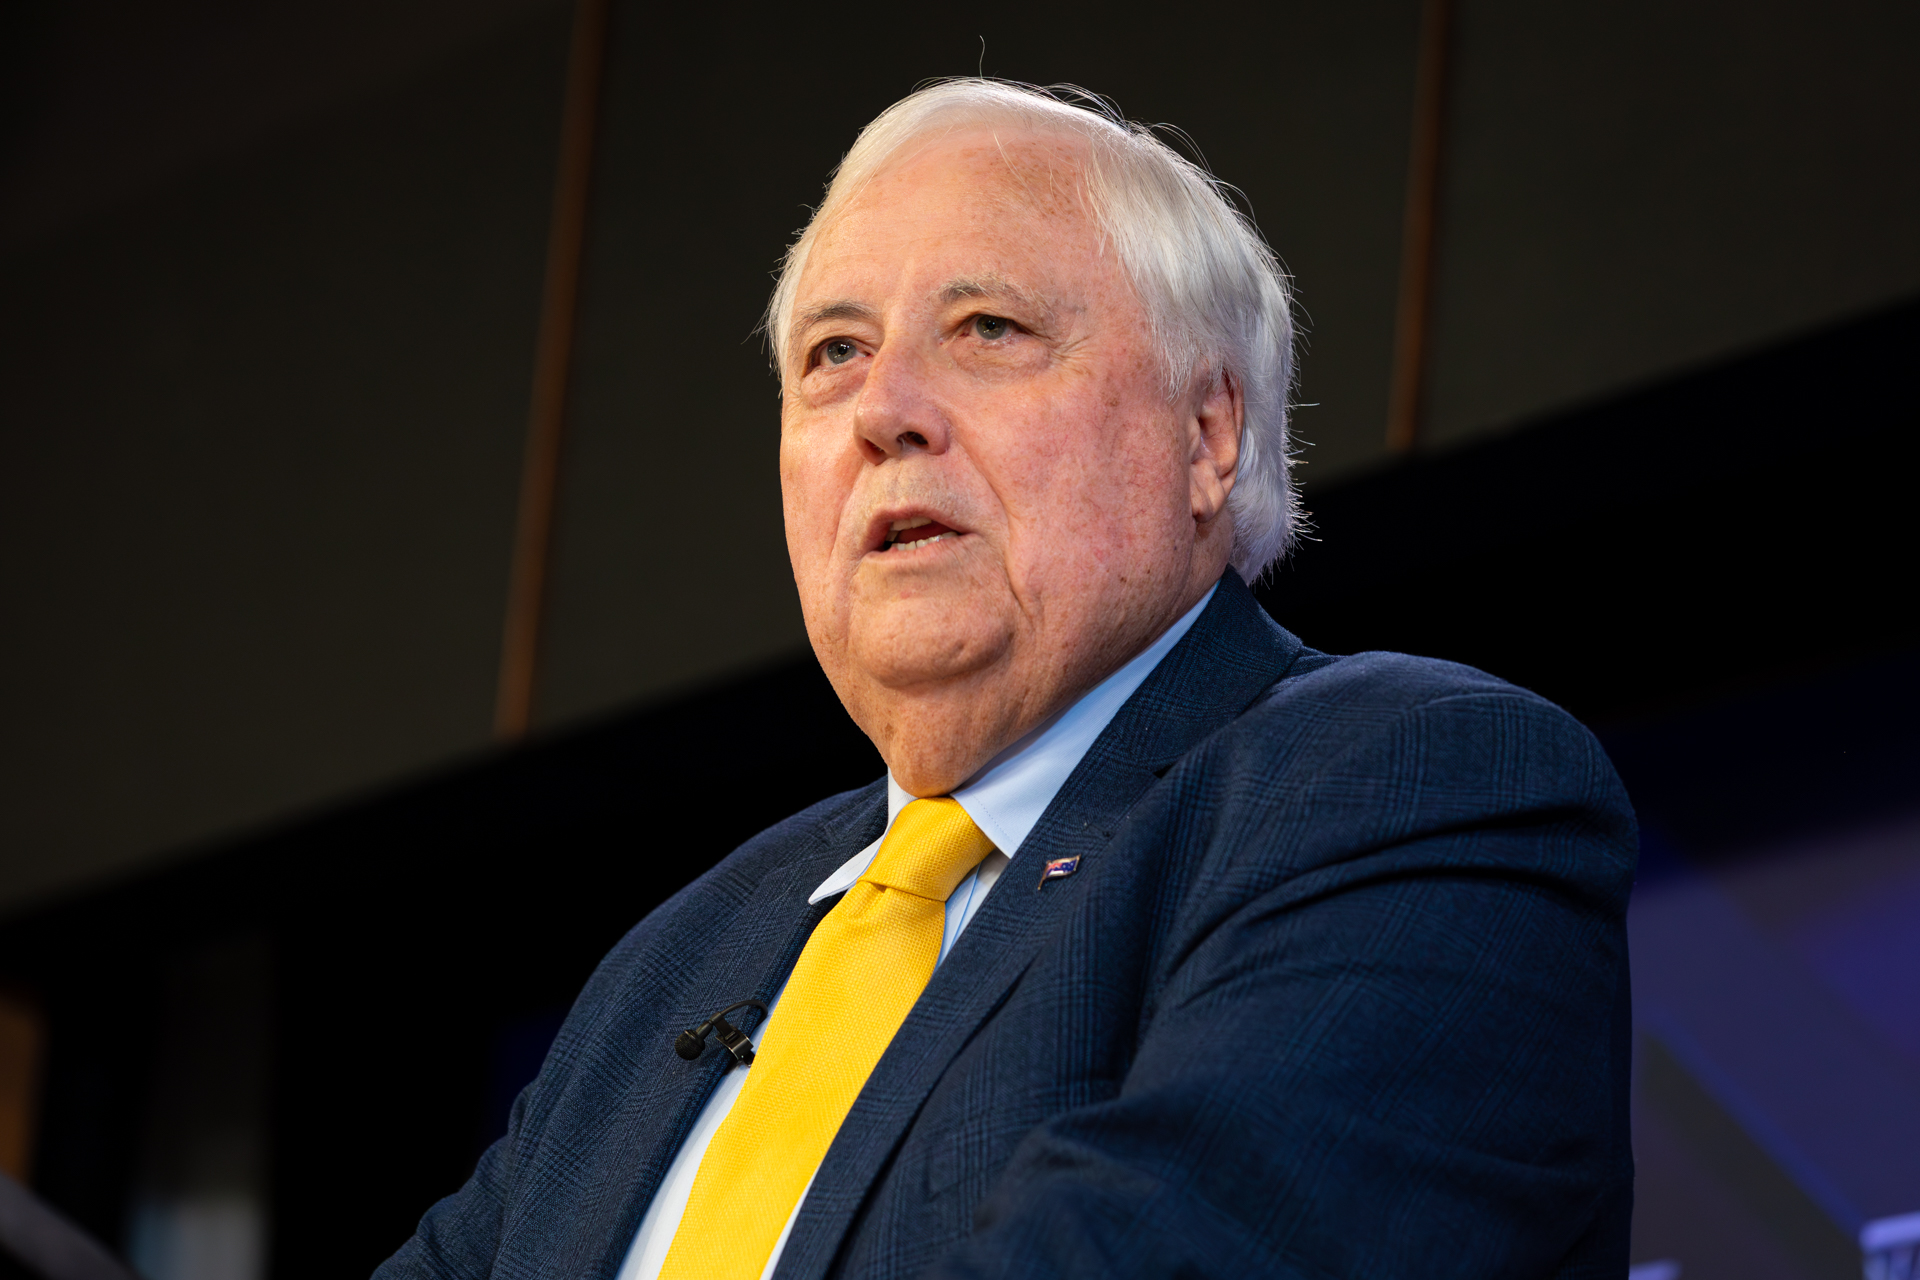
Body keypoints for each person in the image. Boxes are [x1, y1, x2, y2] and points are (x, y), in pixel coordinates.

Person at [375, 80, 1636, 1280]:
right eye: (832, 353)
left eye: (987, 329)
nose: (885, 411)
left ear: (1208, 437)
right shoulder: (676, 959)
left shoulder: (1415, 784)